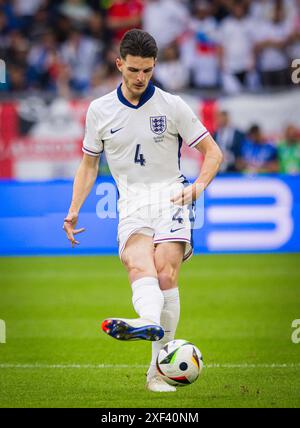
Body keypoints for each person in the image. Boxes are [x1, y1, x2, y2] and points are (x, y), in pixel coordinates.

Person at [63, 29, 223, 393]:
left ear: (154, 67)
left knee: (165, 273)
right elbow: (89, 166)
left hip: (172, 197)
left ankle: (155, 370)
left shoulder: (172, 105)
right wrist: (74, 210)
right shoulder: (99, 110)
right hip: (131, 204)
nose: (140, 78)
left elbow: (213, 153)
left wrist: (197, 187)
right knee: (139, 265)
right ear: (119, 64)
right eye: (134, 70)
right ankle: (148, 323)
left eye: (147, 71)